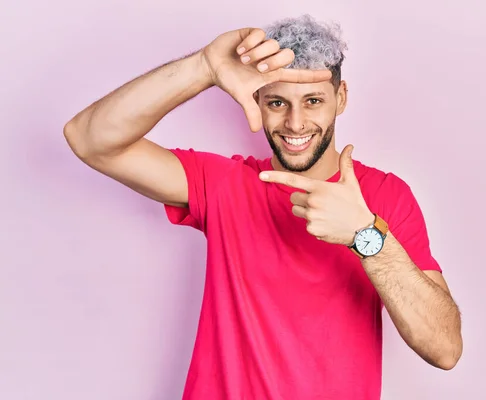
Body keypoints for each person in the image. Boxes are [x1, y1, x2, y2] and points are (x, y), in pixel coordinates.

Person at [64, 14, 462, 400]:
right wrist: (203, 66)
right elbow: (89, 139)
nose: (295, 122)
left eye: (312, 101)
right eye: (276, 102)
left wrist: (365, 235)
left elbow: (444, 349)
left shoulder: (386, 196)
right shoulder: (224, 184)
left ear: (340, 99)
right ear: (256, 99)